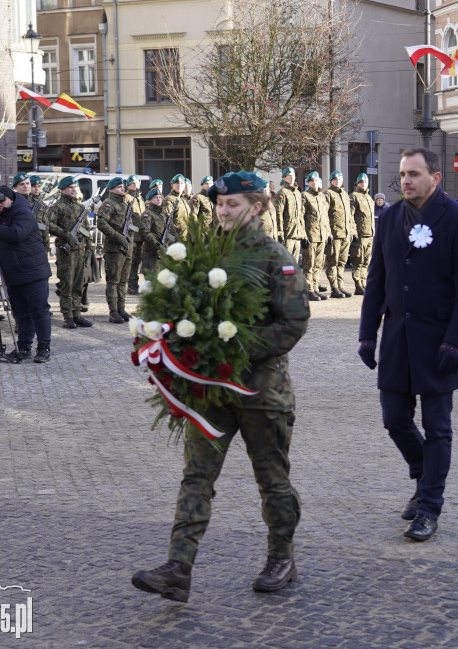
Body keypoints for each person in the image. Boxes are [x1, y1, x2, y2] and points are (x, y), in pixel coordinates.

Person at [132, 171, 310, 599]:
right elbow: (178, 302)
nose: (224, 210)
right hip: (210, 389)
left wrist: (236, 349)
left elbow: (293, 324)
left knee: (272, 479)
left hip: (261, 391)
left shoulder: (275, 258)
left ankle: (281, 557)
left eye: (233, 204)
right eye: (220, 203)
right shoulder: (202, 253)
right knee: (196, 476)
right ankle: (178, 567)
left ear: (258, 206)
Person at [357, 147, 458, 542]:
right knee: (394, 419)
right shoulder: (389, 218)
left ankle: (429, 507)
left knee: (438, 427)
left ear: (436, 177)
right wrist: (366, 333)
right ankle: (422, 474)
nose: (406, 181)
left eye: (414, 173)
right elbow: (376, 280)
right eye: (403, 174)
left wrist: (456, 343)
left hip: (439, 343)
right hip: (396, 340)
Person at [0, 185, 52, 363]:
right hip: (12, 273)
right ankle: (23, 347)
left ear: (10, 199)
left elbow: (15, 234)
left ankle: (44, 348)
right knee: (21, 313)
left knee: (39, 311)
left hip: (32, 271)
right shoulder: (1, 214)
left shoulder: (22, 212)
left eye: (1, 202)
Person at [47, 176, 93, 329]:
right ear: (62, 189)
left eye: (75, 187)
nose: (74, 190)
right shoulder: (57, 207)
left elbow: (86, 229)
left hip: (80, 250)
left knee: (78, 284)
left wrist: (89, 247)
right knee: (67, 284)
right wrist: (65, 234)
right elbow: (49, 225)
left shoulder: (80, 207)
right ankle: (68, 316)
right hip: (66, 252)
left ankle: (77, 313)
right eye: (70, 187)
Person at [96, 176, 134, 324]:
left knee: (123, 281)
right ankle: (113, 312)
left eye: (123, 187)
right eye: (119, 187)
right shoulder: (108, 204)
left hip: (126, 247)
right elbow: (101, 223)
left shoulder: (124, 204)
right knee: (113, 281)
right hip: (114, 249)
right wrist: (118, 237)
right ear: (111, 189)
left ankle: (121, 308)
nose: (122, 189)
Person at [324, 170, 354, 298]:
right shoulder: (328, 194)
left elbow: (350, 216)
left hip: (345, 234)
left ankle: (340, 285)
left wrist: (352, 231)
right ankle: (334, 287)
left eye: (339, 179)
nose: (337, 181)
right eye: (335, 179)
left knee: (342, 262)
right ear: (331, 181)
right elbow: (324, 215)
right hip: (335, 234)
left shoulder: (345, 195)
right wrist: (328, 232)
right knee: (333, 262)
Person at [301, 171, 330, 301]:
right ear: (308, 183)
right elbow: (300, 217)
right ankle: (309, 290)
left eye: (316, 180)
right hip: (311, 236)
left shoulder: (322, 197)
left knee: (319, 265)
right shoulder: (305, 196)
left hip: (322, 236)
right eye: (312, 181)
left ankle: (315, 288)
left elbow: (326, 217)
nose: (314, 182)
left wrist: (328, 233)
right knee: (309, 265)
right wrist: (303, 235)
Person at [349, 173, 375, 294]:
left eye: (365, 181)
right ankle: (358, 284)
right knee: (358, 261)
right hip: (359, 235)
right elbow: (351, 216)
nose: (363, 183)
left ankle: (363, 283)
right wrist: (354, 233)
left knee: (366, 261)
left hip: (369, 234)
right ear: (357, 183)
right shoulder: (354, 196)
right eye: (361, 181)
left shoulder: (369, 198)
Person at [138, 189, 167, 276]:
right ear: (149, 200)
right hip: (151, 253)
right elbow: (145, 232)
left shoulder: (163, 215)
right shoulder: (147, 214)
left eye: (159, 197)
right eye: (155, 197)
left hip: (162, 252)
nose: (158, 199)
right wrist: (158, 245)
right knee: (151, 281)